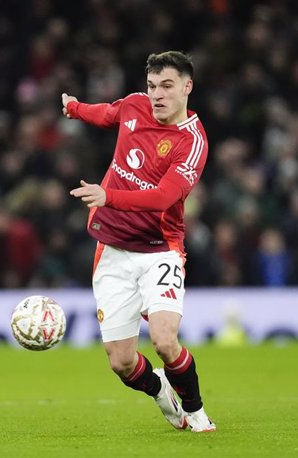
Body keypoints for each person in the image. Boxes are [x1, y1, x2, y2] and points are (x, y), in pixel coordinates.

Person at [61, 51, 215, 432]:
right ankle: (162, 391)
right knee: (121, 363)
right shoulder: (135, 106)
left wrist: (107, 196)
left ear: (186, 87)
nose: (156, 95)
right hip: (112, 249)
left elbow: (164, 198)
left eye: (166, 86)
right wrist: (76, 108)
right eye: (151, 86)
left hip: (159, 249)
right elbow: (108, 114)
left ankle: (195, 411)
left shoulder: (192, 142)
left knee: (164, 341)